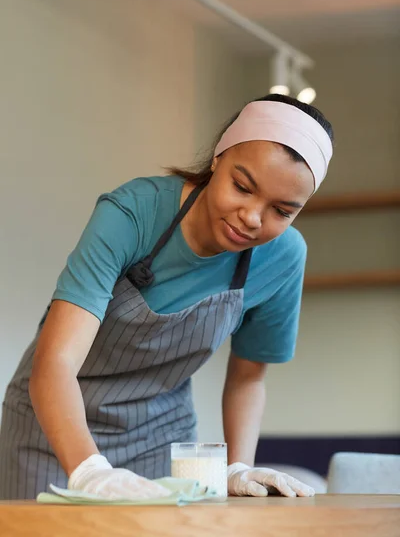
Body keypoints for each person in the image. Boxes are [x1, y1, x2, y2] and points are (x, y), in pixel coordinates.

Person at [0, 93, 334, 500]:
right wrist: (89, 472)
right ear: (218, 158)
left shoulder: (283, 257)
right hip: (52, 432)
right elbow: (55, 360)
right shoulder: (134, 212)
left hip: (160, 438)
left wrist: (239, 467)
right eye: (242, 186)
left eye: (281, 211)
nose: (252, 217)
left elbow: (248, 379)